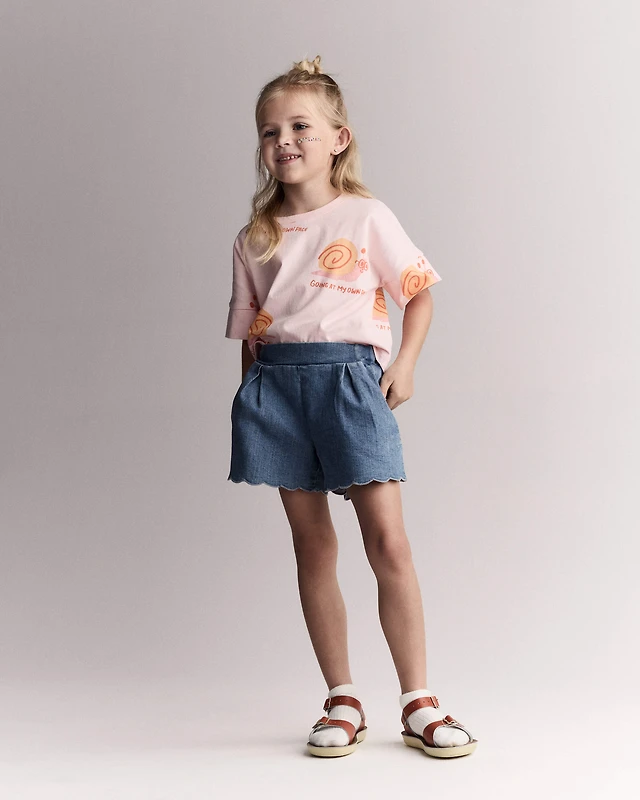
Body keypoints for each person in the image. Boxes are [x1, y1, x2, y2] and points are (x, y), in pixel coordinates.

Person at [224, 54, 477, 759]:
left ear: (338, 138)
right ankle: (341, 698)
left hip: (349, 382)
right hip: (276, 388)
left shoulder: (366, 216)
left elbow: (419, 293)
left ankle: (419, 701)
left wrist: (405, 365)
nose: (284, 140)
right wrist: (248, 402)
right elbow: (250, 335)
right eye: (270, 131)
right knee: (312, 546)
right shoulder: (254, 236)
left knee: (388, 541)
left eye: (300, 126)